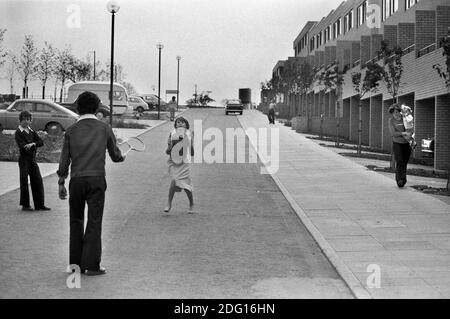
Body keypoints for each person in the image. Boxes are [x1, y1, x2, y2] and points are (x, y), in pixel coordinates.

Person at [57, 91, 125, 276]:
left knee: (75, 221)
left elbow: (64, 161)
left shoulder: (71, 131)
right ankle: (93, 266)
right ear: (97, 108)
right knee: (94, 222)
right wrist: (122, 156)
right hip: (96, 179)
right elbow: (115, 155)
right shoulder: (104, 128)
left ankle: (75, 265)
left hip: (77, 180)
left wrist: (61, 181)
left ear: (78, 108)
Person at [15, 111, 51, 211]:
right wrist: (33, 145)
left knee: (38, 180)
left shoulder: (31, 131)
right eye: (24, 119)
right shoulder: (18, 132)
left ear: (31, 120)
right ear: (20, 120)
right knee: (24, 181)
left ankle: (39, 205)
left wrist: (32, 144)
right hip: (24, 160)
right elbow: (22, 146)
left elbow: (41, 142)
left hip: (32, 160)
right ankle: (25, 205)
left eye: (28, 119)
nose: (26, 121)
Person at [164, 116, 194, 213]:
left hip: (185, 162)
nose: (180, 124)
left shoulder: (189, 134)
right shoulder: (172, 134)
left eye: (182, 122)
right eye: (178, 122)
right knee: (174, 181)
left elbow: (192, 152)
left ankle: (191, 203)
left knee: (186, 185)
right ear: (175, 125)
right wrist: (172, 144)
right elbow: (167, 151)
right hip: (174, 161)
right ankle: (169, 203)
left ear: (186, 125)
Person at [388, 103, 413, 188]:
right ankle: (400, 180)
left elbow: (410, 128)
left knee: (404, 162)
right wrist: (403, 133)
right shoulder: (391, 121)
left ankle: (403, 179)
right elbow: (393, 133)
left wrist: (409, 133)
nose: (395, 114)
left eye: (397, 112)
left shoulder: (405, 119)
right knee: (400, 161)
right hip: (397, 143)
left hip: (407, 143)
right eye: (393, 112)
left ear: (400, 112)